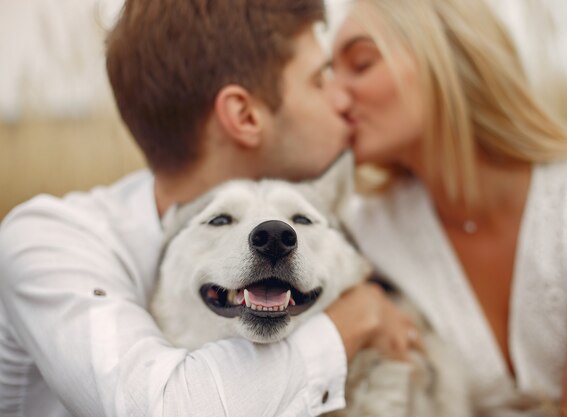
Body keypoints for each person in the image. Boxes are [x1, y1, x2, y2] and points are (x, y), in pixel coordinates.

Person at [0, 0, 419, 416]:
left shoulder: (347, 215)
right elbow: (164, 408)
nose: (342, 101)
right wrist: (351, 321)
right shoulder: (50, 239)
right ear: (244, 115)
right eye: (318, 79)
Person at [330, 0, 567, 415]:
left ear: (448, 60)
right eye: (327, 75)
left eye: (361, 65)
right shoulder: (365, 233)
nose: (336, 99)